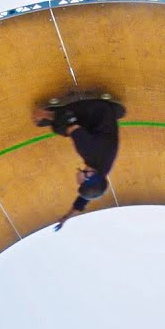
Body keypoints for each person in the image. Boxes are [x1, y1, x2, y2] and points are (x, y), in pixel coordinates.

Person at [31, 96, 126, 231]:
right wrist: (44, 114)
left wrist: (66, 217)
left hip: (106, 116)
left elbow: (83, 200)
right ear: (90, 175)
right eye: (81, 183)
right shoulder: (88, 151)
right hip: (95, 108)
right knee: (60, 128)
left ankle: (107, 111)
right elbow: (69, 122)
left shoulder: (102, 171)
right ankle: (53, 112)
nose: (79, 182)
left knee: (70, 129)